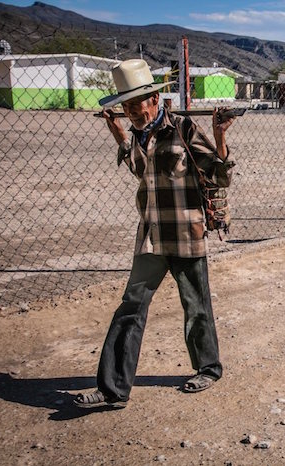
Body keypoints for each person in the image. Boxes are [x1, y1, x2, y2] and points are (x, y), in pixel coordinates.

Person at [74, 59, 236, 409]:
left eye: (138, 104)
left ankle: (208, 368)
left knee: (196, 306)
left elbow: (220, 176)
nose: (132, 112)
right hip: (150, 236)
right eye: (127, 106)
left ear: (154, 99)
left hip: (185, 234)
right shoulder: (137, 135)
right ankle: (112, 389)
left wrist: (220, 135)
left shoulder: (183, 129)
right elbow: (139, 170)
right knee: (131, 307)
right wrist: (119, 135)